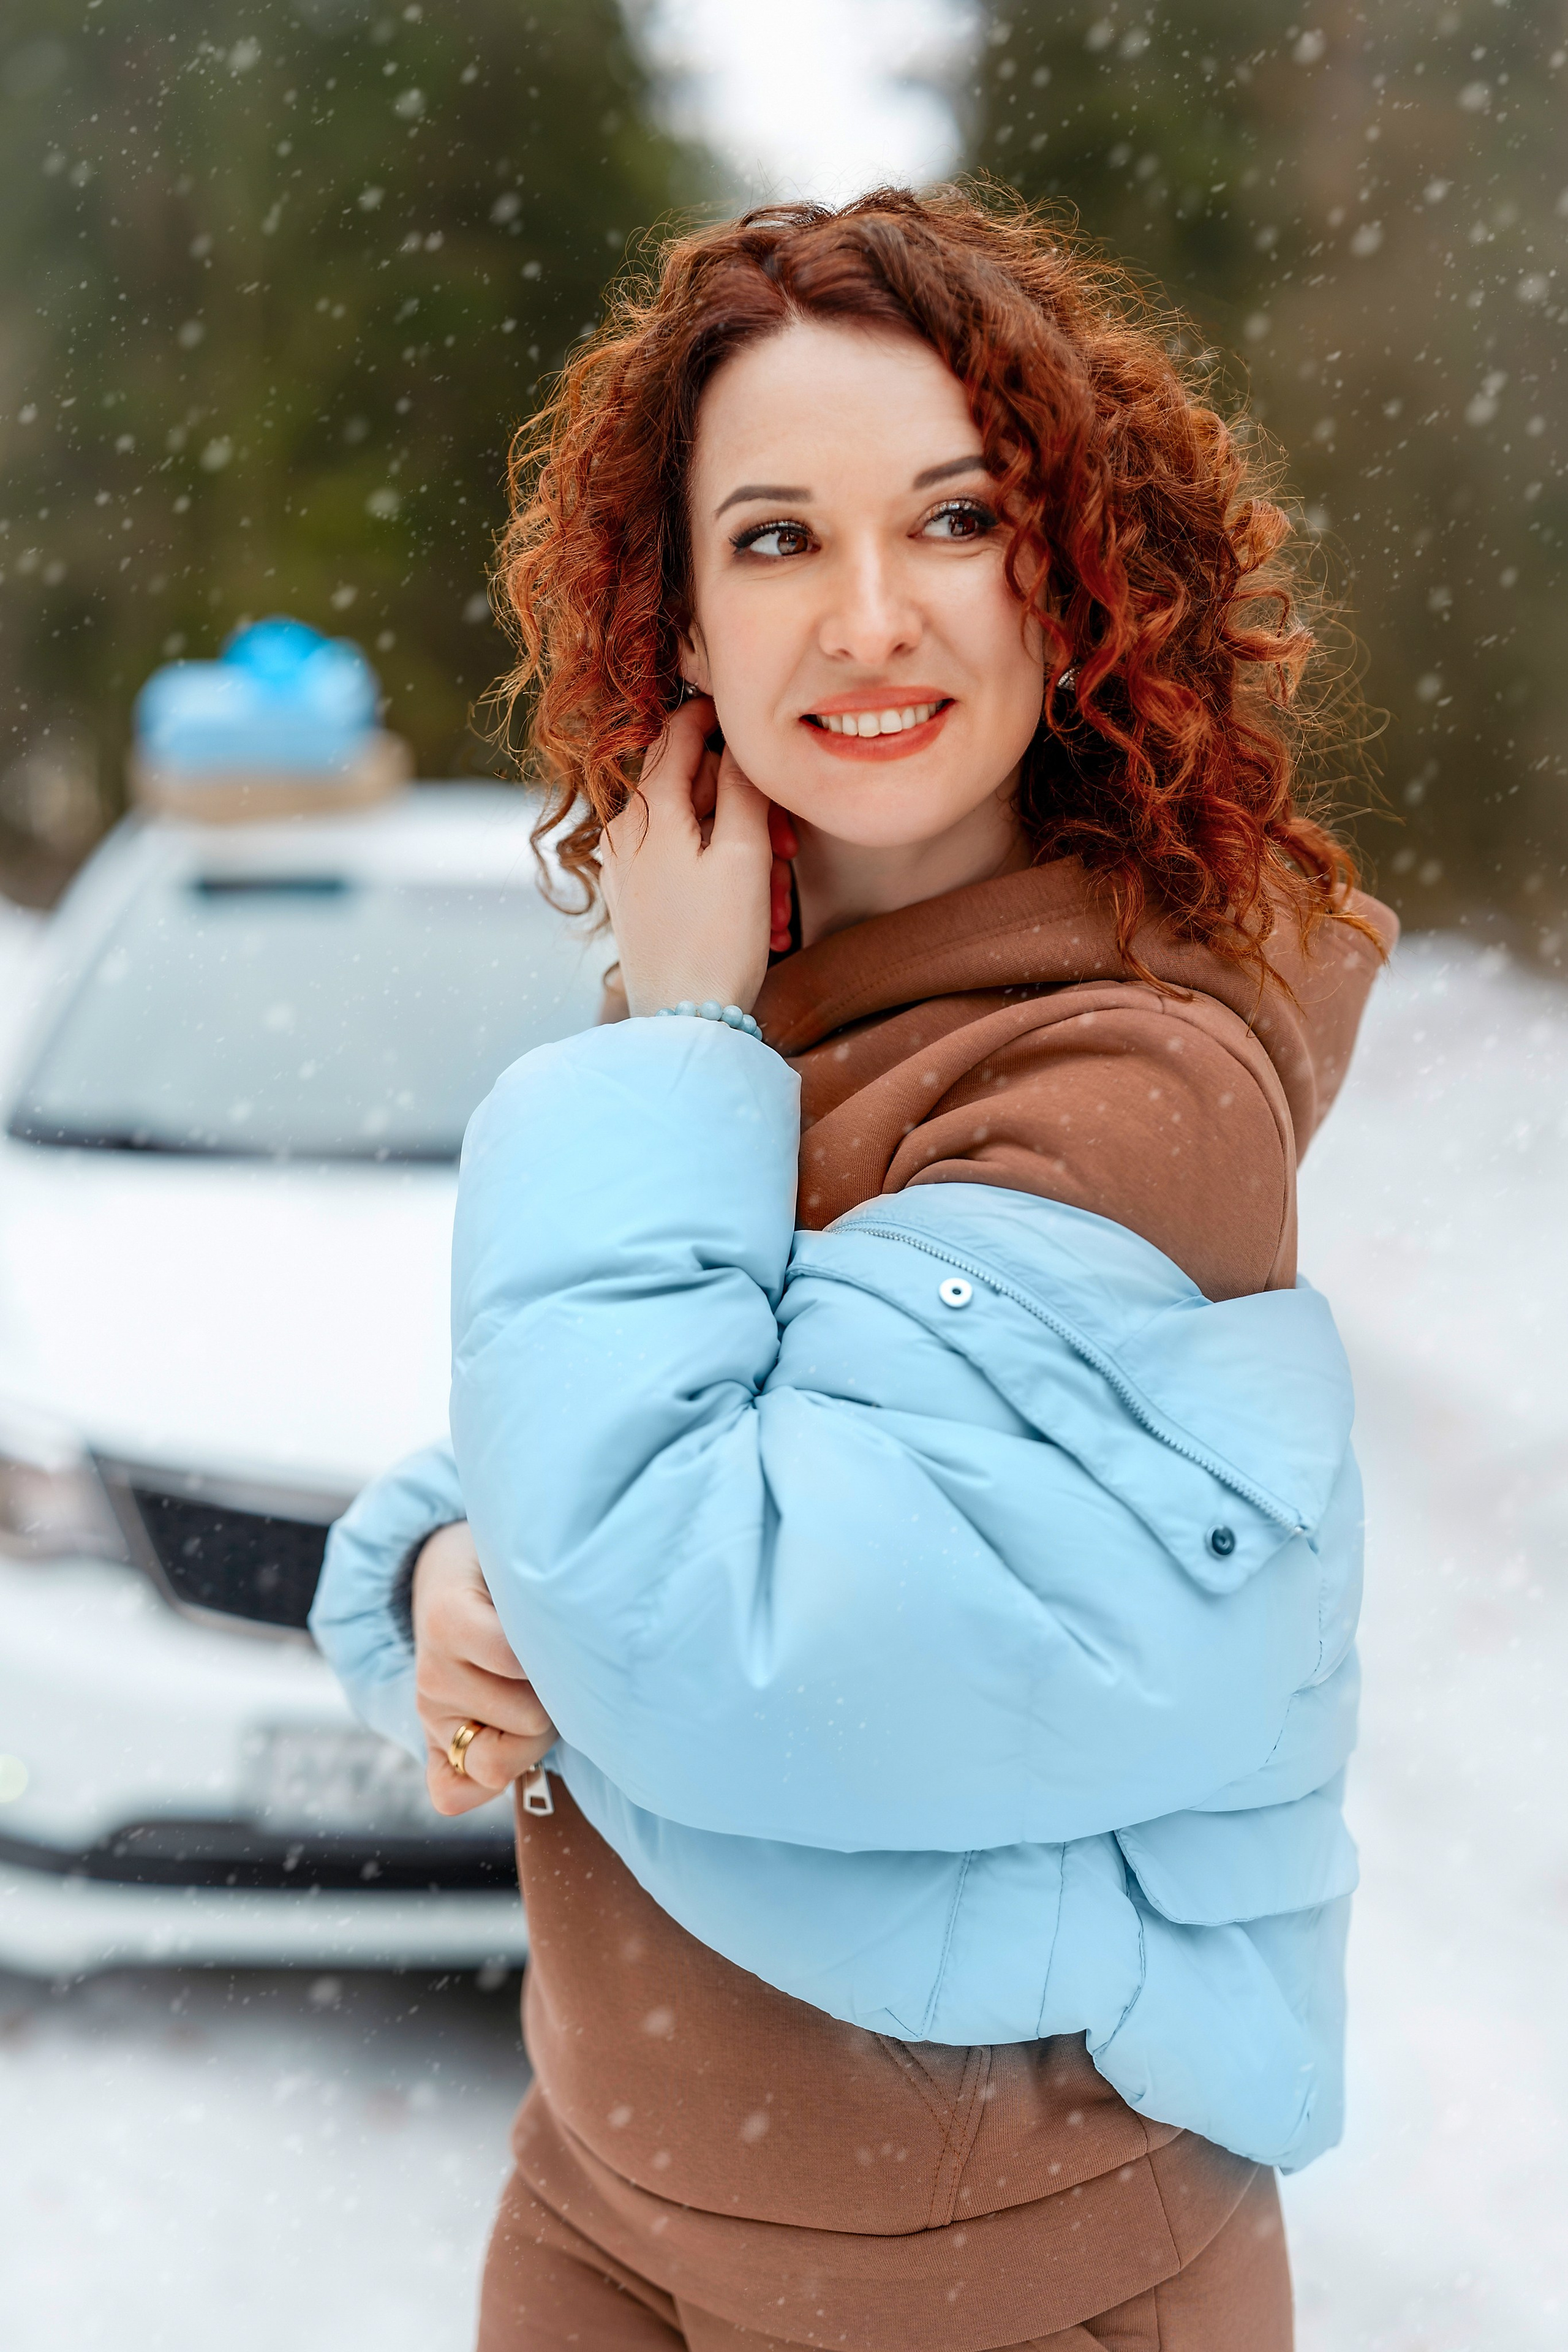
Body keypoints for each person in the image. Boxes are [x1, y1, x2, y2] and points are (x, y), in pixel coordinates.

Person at [311, 188, 1396, 2350]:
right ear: (685, 627)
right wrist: (433, 1582)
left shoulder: (1131, 1082)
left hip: (999, 2276)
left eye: (957, 519)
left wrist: (688, 1038)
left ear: (1071, 579)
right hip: (614, 2203)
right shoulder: (753, 1035)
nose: (871, 616)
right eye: (780, 539)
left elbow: (735, 1638)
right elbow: (557, 1478)